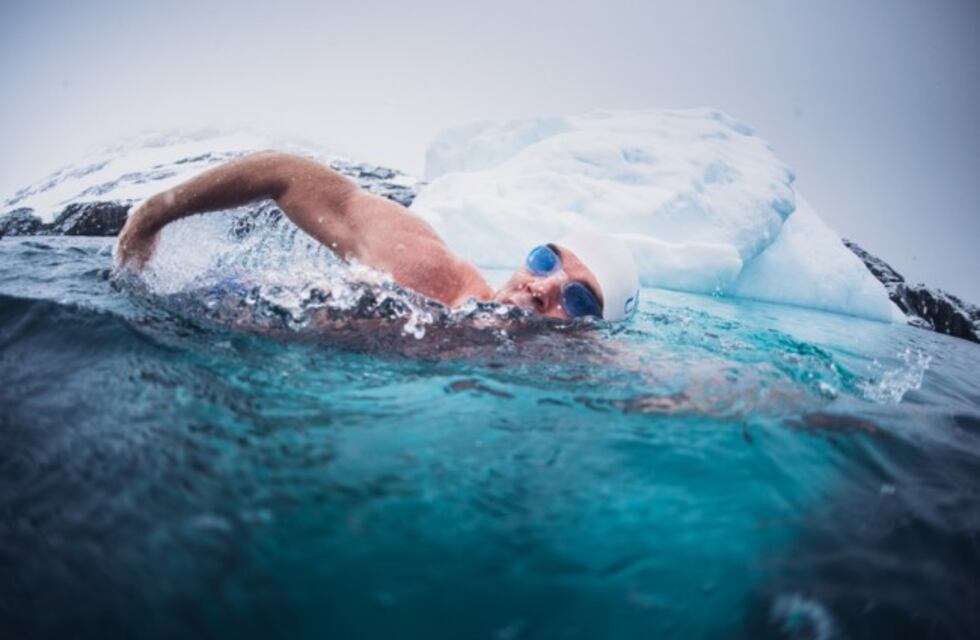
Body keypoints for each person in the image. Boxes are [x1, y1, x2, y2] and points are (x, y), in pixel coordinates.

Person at [116, 151, 640, 321]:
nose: (543, 288)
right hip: (186, 318)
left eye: (577, 299)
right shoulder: (431, 271)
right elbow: (284, 175)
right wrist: (151, 218)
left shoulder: (568, 372)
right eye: (546, 260)